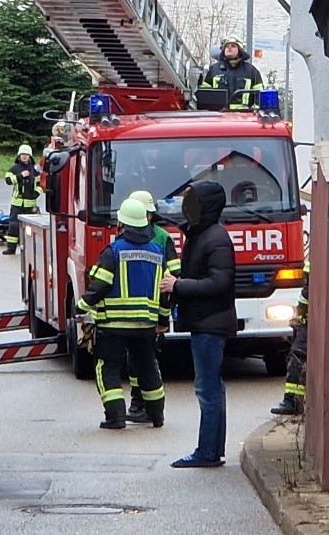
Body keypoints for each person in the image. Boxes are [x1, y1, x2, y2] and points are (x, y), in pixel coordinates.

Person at [162, 180, 234, 467]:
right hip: (205, 320)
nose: (186, 207)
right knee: (211, 388)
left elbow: (220, 282)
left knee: (208, 389)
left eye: (192, 202)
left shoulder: (214, 237)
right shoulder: (201, 234)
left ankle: (207, 452)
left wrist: (178, 286)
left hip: (210, 323)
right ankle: (211, 450)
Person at [81, 197, 167, 430]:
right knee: (147, 366)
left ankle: (115, 417)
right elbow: (164, 290)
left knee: (107, 367)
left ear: (121, 224)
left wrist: (81, 307)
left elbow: (99, 285)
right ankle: (156, 416)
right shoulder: (157, 252)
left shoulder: (113, 251)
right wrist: (162, 319)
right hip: (145, 325)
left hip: (114, 325)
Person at [124, 189, 179, 424]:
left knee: (145, 360)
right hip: (135, 310)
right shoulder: (130, 237)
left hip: (151, 309)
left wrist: (163, 318)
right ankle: (140, 404)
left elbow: (171, 278)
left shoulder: (161, 238)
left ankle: (143, 405)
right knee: (136, 359)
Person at [271, 258, 308, 416]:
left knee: (297, 360)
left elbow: (304, 304)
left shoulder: (308, 289)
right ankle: (294, 401)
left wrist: (300, 317)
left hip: (307, 329)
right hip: (307, 326)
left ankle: (292, 401)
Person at [197, 38, 263, 109]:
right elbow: (205, 96)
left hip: (244, 116)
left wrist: (253, 112)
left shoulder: (251, 71)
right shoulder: (214, 70)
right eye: (227, 46)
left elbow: (260, 96)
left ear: (240, 50)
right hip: (218, 115)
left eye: (233, 46)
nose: (229, 47)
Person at [3, 144, 41, 255]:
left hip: (30, 204)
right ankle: (11, 248)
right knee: (13, 226)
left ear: (30, 156)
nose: (24, 157)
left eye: (27, 155)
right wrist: (20, 176)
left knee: (31, 228)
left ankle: (30, 250)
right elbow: (8, 180)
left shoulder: (35, 170)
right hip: (17, 203)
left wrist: (36, 193)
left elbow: (40, 184)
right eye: (22, 155)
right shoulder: (14, 168)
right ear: (19, 156)